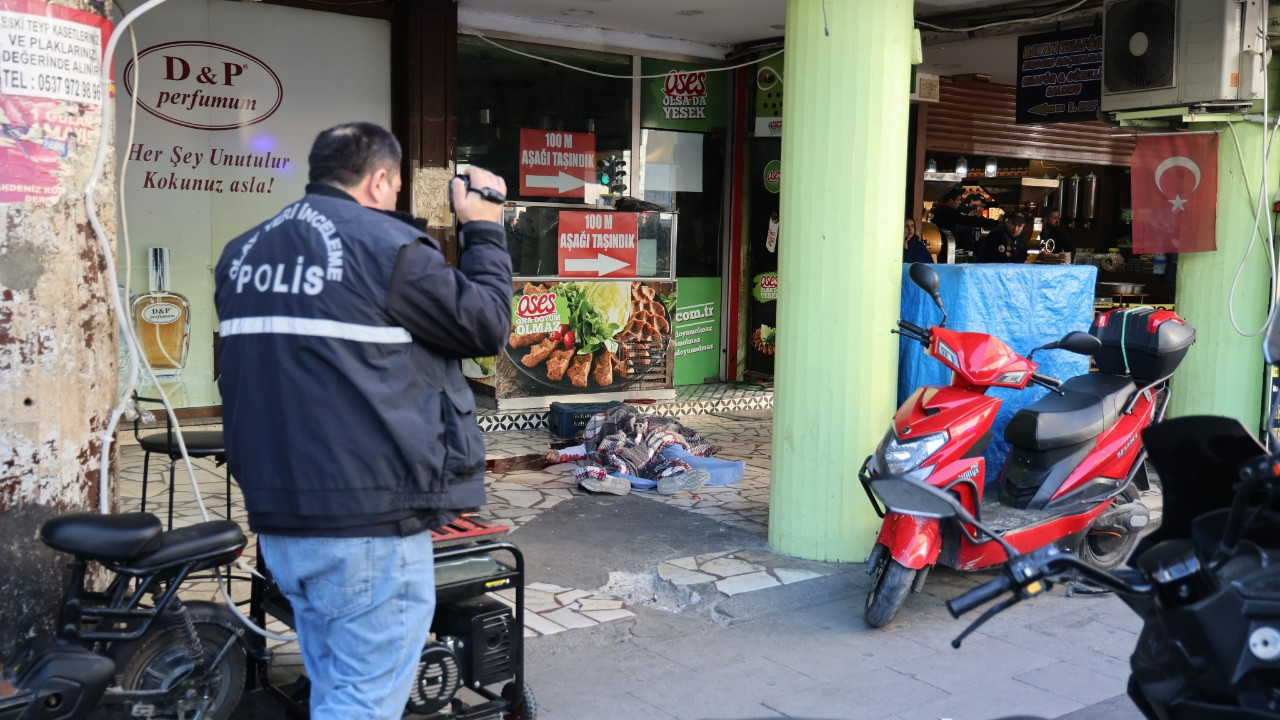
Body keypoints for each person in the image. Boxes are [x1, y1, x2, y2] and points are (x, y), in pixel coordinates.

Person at [213, 122, 512, 719]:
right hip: (365, 525)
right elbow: (485, 325)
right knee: (363, 703)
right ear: (380, 179)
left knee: (337, 688)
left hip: (282, 523)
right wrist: (483, 227)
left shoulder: (241, 252)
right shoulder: (388, 248)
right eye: (396, 185)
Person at [929, 186, 996, 262]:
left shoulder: (939, 210)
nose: (960, 202)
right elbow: (967, 220)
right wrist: (995, 222)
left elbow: (963, 209)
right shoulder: (947, 211)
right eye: (958, 200)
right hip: (943, 251)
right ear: (950, 201)